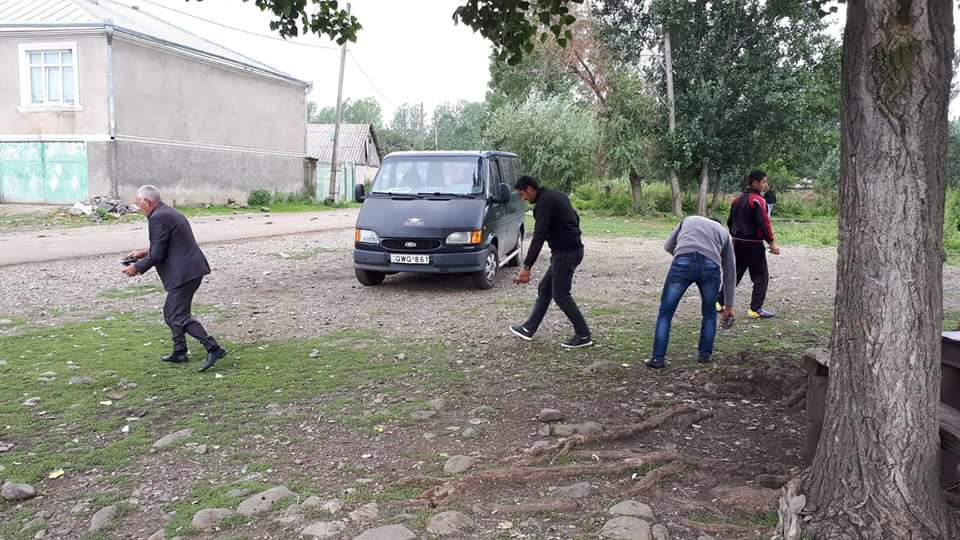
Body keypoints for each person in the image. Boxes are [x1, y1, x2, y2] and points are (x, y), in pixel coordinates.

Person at [122, 185, 227, 372]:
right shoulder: (166, 212)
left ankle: (213, 348)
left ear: (147, 201)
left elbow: (157, 255)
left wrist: (136, 268)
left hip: (184, 273)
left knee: (176, 315)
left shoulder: (158, 217)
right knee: (173, 314)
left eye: (138, 202)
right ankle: (179, 351)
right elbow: (164, 243)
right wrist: (142, 252)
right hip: (189, 270)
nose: (137, 206)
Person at [509, 175, 592, 348]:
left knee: (560, 294)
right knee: (545, 289)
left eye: (522, 194)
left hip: (565, 253)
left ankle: (584, 335)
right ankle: (528, 328)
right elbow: (575, 218)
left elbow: (538, 237)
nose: (523, 199)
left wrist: (526, 267)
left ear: (530, 189)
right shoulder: (556, 195)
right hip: (572, 250)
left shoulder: (544, 204)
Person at [646, 216, 736, 369]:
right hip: (711, 266)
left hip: (683, 260)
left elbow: (668, 245)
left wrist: (683, 257)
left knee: (666, 312)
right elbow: (730, 270)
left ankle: (657, 359)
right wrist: (729, 305)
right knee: (709, 313)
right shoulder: (723, 232)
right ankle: (705, 355)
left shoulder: (689, 220)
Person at [718, 170, 781, 319]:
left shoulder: (737, 200)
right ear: (755, 183)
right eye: (764, 182)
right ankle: (755, 309)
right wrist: (772, 243)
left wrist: (735, 236)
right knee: (760, 276)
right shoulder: (758, 200)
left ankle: (719, 302)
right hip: (753, 244)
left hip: (737, 243)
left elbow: (730, 221)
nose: (766, 185)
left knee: (734, 274)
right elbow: (764, 224)